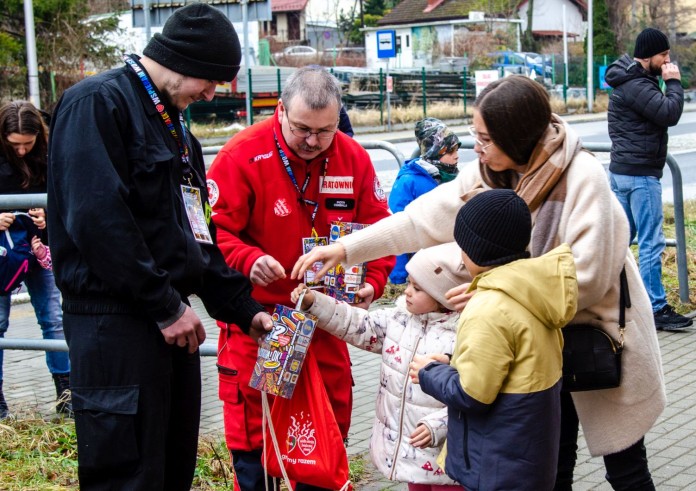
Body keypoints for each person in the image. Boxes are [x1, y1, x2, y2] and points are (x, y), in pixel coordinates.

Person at [292, 75, 665, 490]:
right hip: (535, 345)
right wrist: (346, 250)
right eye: (475, 135)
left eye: (485, 137)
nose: (477, 147)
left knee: (626, 468)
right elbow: (422, 218)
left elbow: (586, 279)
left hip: (596, 334)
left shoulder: (583, 177)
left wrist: (494, 288)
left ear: (516, 136)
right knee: (553, 467)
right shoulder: (491, 172)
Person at [46, 4, 273, 490]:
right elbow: (96, 220)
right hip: (117, 324)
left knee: (171, 466)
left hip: (171, 326)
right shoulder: (98, 104)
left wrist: (244, 309)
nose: (211, 95)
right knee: (127, 473)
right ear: (177, 60)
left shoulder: (178, 132)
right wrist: (165, 306)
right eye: (208, 82)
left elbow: (196, 237)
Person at [206, 65, 395, 490]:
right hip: (268, 326)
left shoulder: (353, 157)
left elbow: (379, 230)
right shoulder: (243, 155)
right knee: (269, 448)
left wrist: (373, 282)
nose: (312, 141)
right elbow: (210, 232)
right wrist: (246, 257)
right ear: (280, 112)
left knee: (323, 445)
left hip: (328, 324)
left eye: (324, 131)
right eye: (302, 129)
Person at [409, 189, 578, 490]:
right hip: (530, 455)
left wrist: (430, 373)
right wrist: (453, 363)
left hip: (499, 462)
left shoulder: (488, 307)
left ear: (475, 249)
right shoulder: (532, 293)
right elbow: (511, 366)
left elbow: (473, 395)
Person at [291, 246, 463, 490]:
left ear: (442, 294)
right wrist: (314, 303)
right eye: (409, 284)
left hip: (447, 452)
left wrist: (439, 426)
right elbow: (356, 323)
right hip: (412, 452)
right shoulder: (399, 319)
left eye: (418, 288)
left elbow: (472, 391)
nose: (407, 292)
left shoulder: (462, 334)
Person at [606, 27, 690, 331]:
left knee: (621, 241)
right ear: (649, 55)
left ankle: (610, 299)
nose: (668, 60)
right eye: (664, 55)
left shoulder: (629, 78)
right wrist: (674, 82)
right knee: (651, 242)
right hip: (640, 175)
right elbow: (669, 112)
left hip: (624, 172)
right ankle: (655, 307)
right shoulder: (637, 84)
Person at [0, 100, 70, 419]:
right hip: (4, 251)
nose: (22, 151)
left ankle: (66, 393)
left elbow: (63, 194)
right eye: (15, 145)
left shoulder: (50, 150)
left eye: (28, 144)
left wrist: (47, 214)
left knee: (53, 319)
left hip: (39, 248)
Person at [388, 117, 461, 284]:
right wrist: (399, 278)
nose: (456, 157)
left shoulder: (451, 177)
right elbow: (397, 229)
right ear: (434, 152)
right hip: (420, 268)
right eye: (450, 152)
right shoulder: (408, 182)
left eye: (457, 151)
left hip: (447, 263)